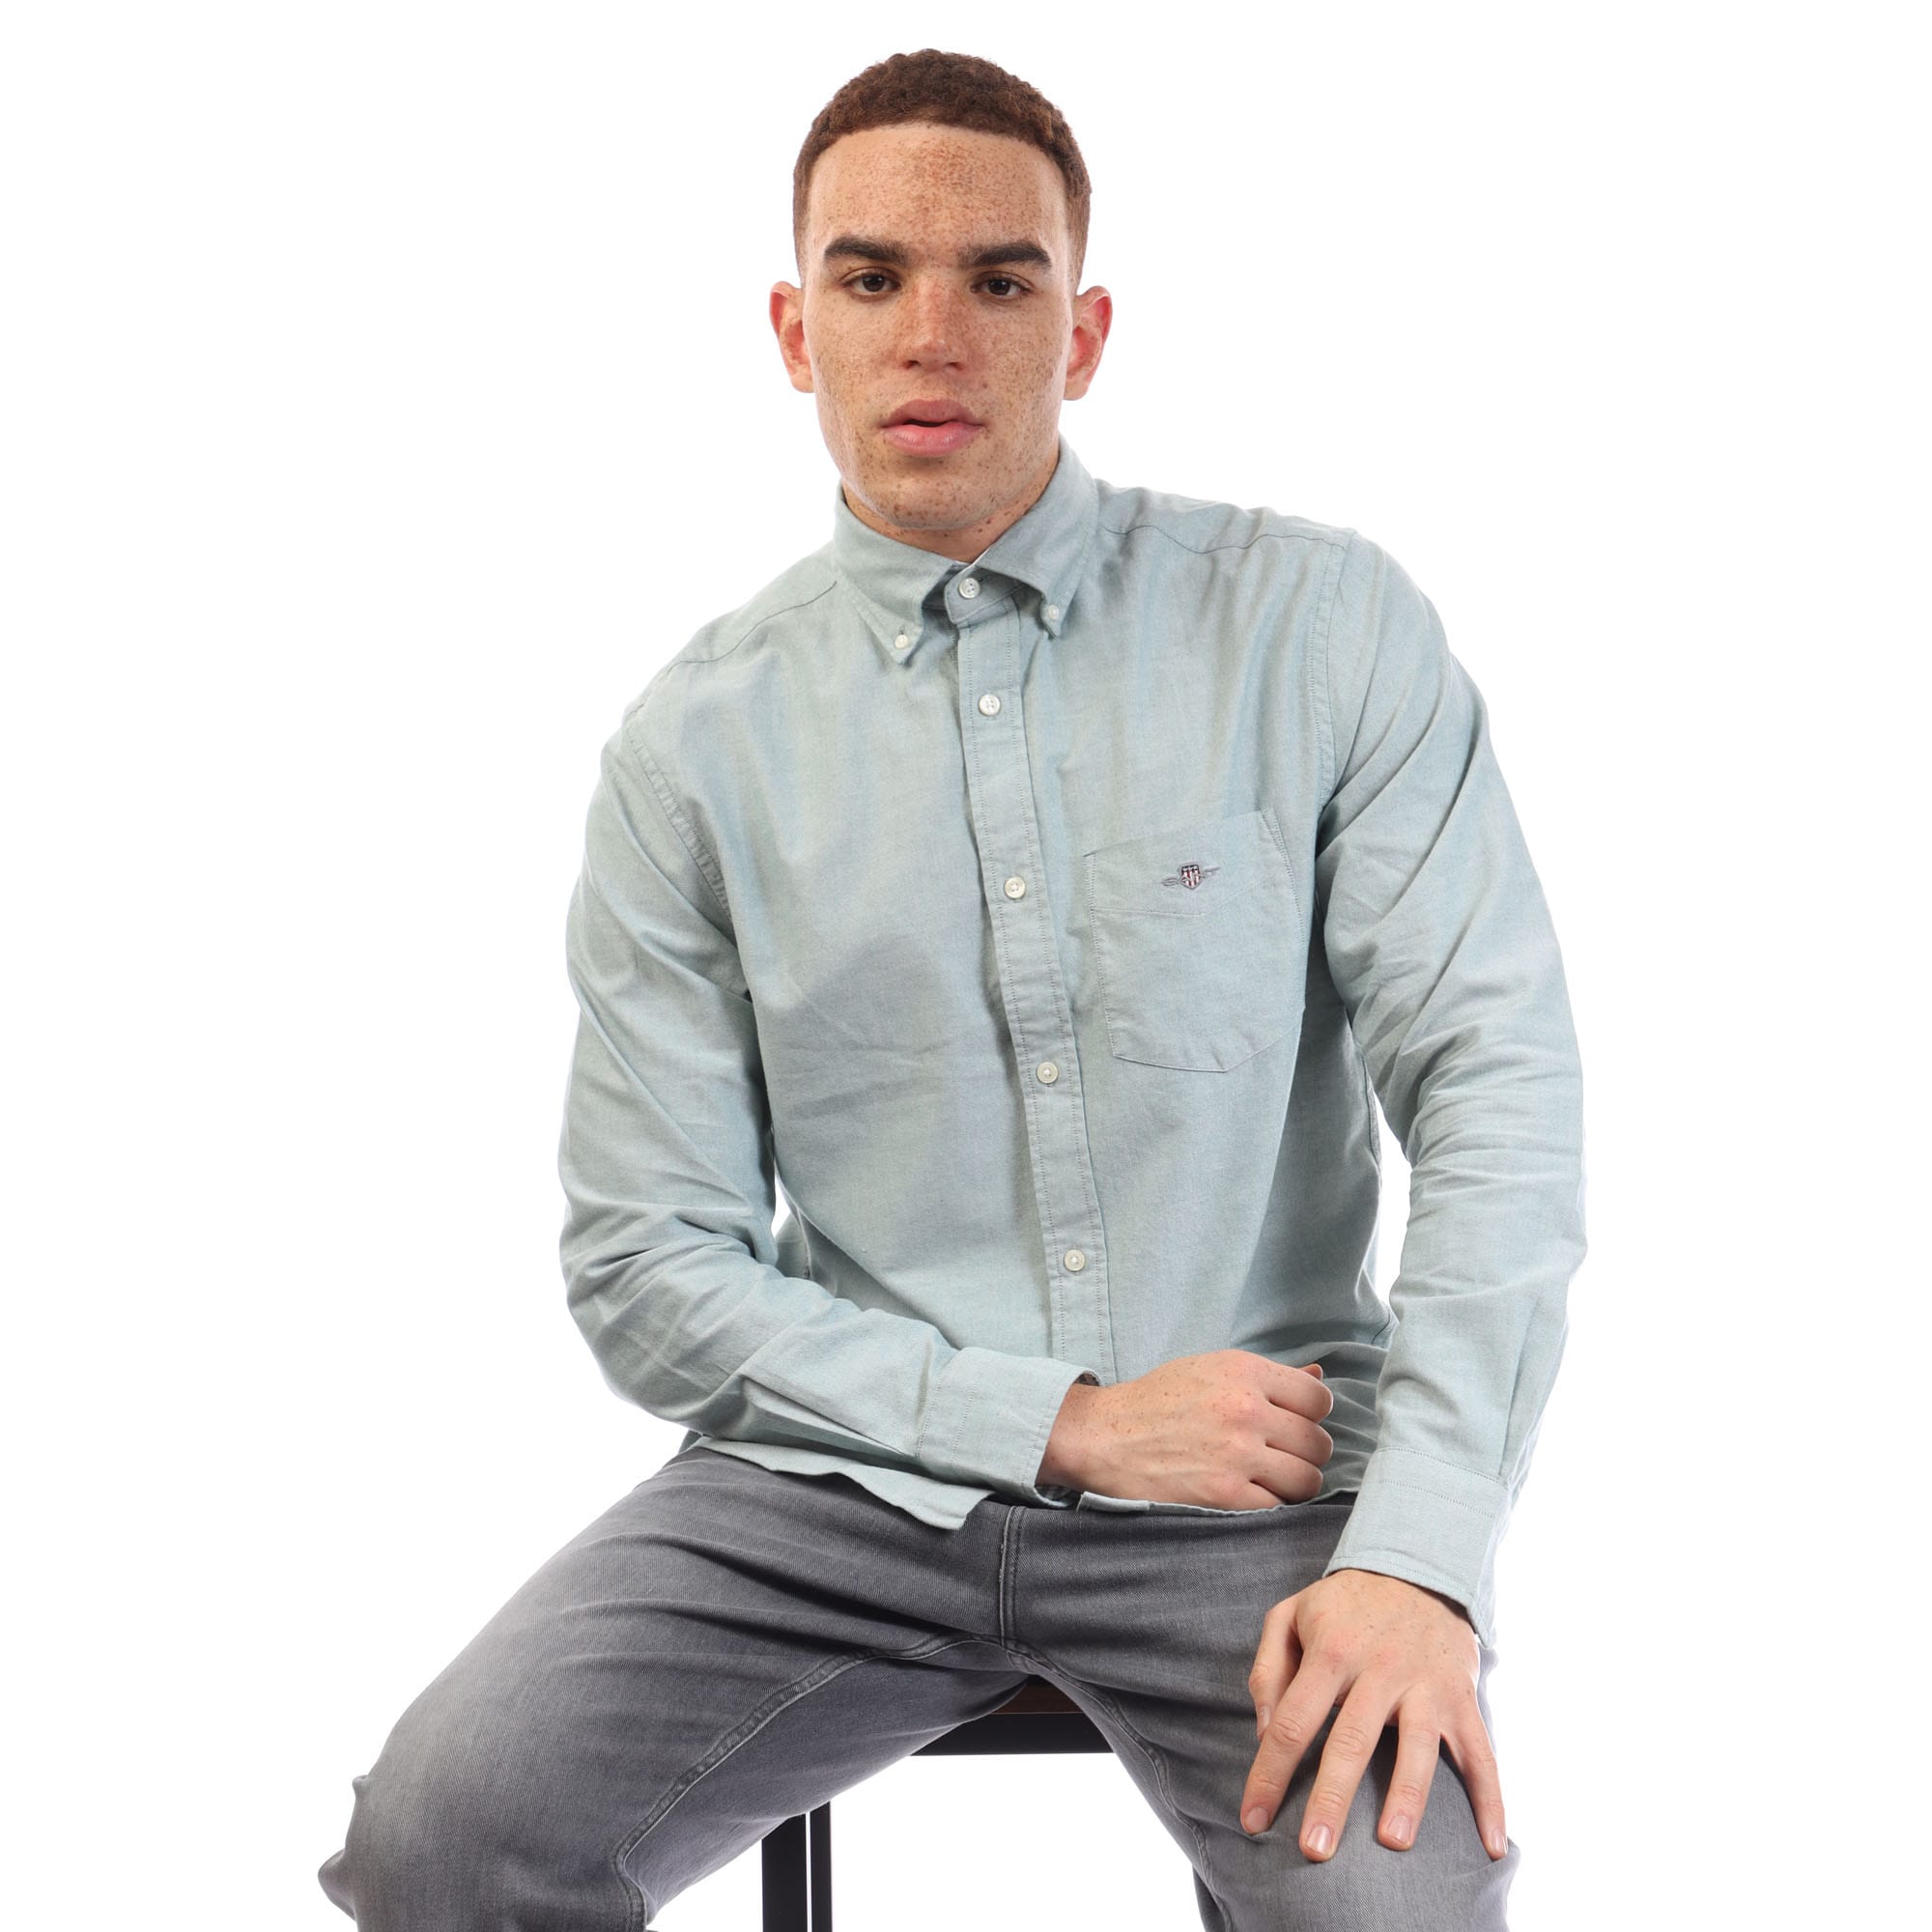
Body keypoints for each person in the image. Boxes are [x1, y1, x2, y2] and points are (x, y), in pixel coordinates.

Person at [317, 46, 1585, 1932]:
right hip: (837, 1489)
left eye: (998, 278)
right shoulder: (695, 748)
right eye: (869, 276)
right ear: (792, 329)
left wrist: (1421, 1556)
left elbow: (1498, 1094)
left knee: (1390, 1912)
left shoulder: (1317, 630)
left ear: (1083, 331)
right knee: (440, 1841)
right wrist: (1062, 1422)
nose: (931, 334)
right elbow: (647, 1259)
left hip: (1253, 1483)